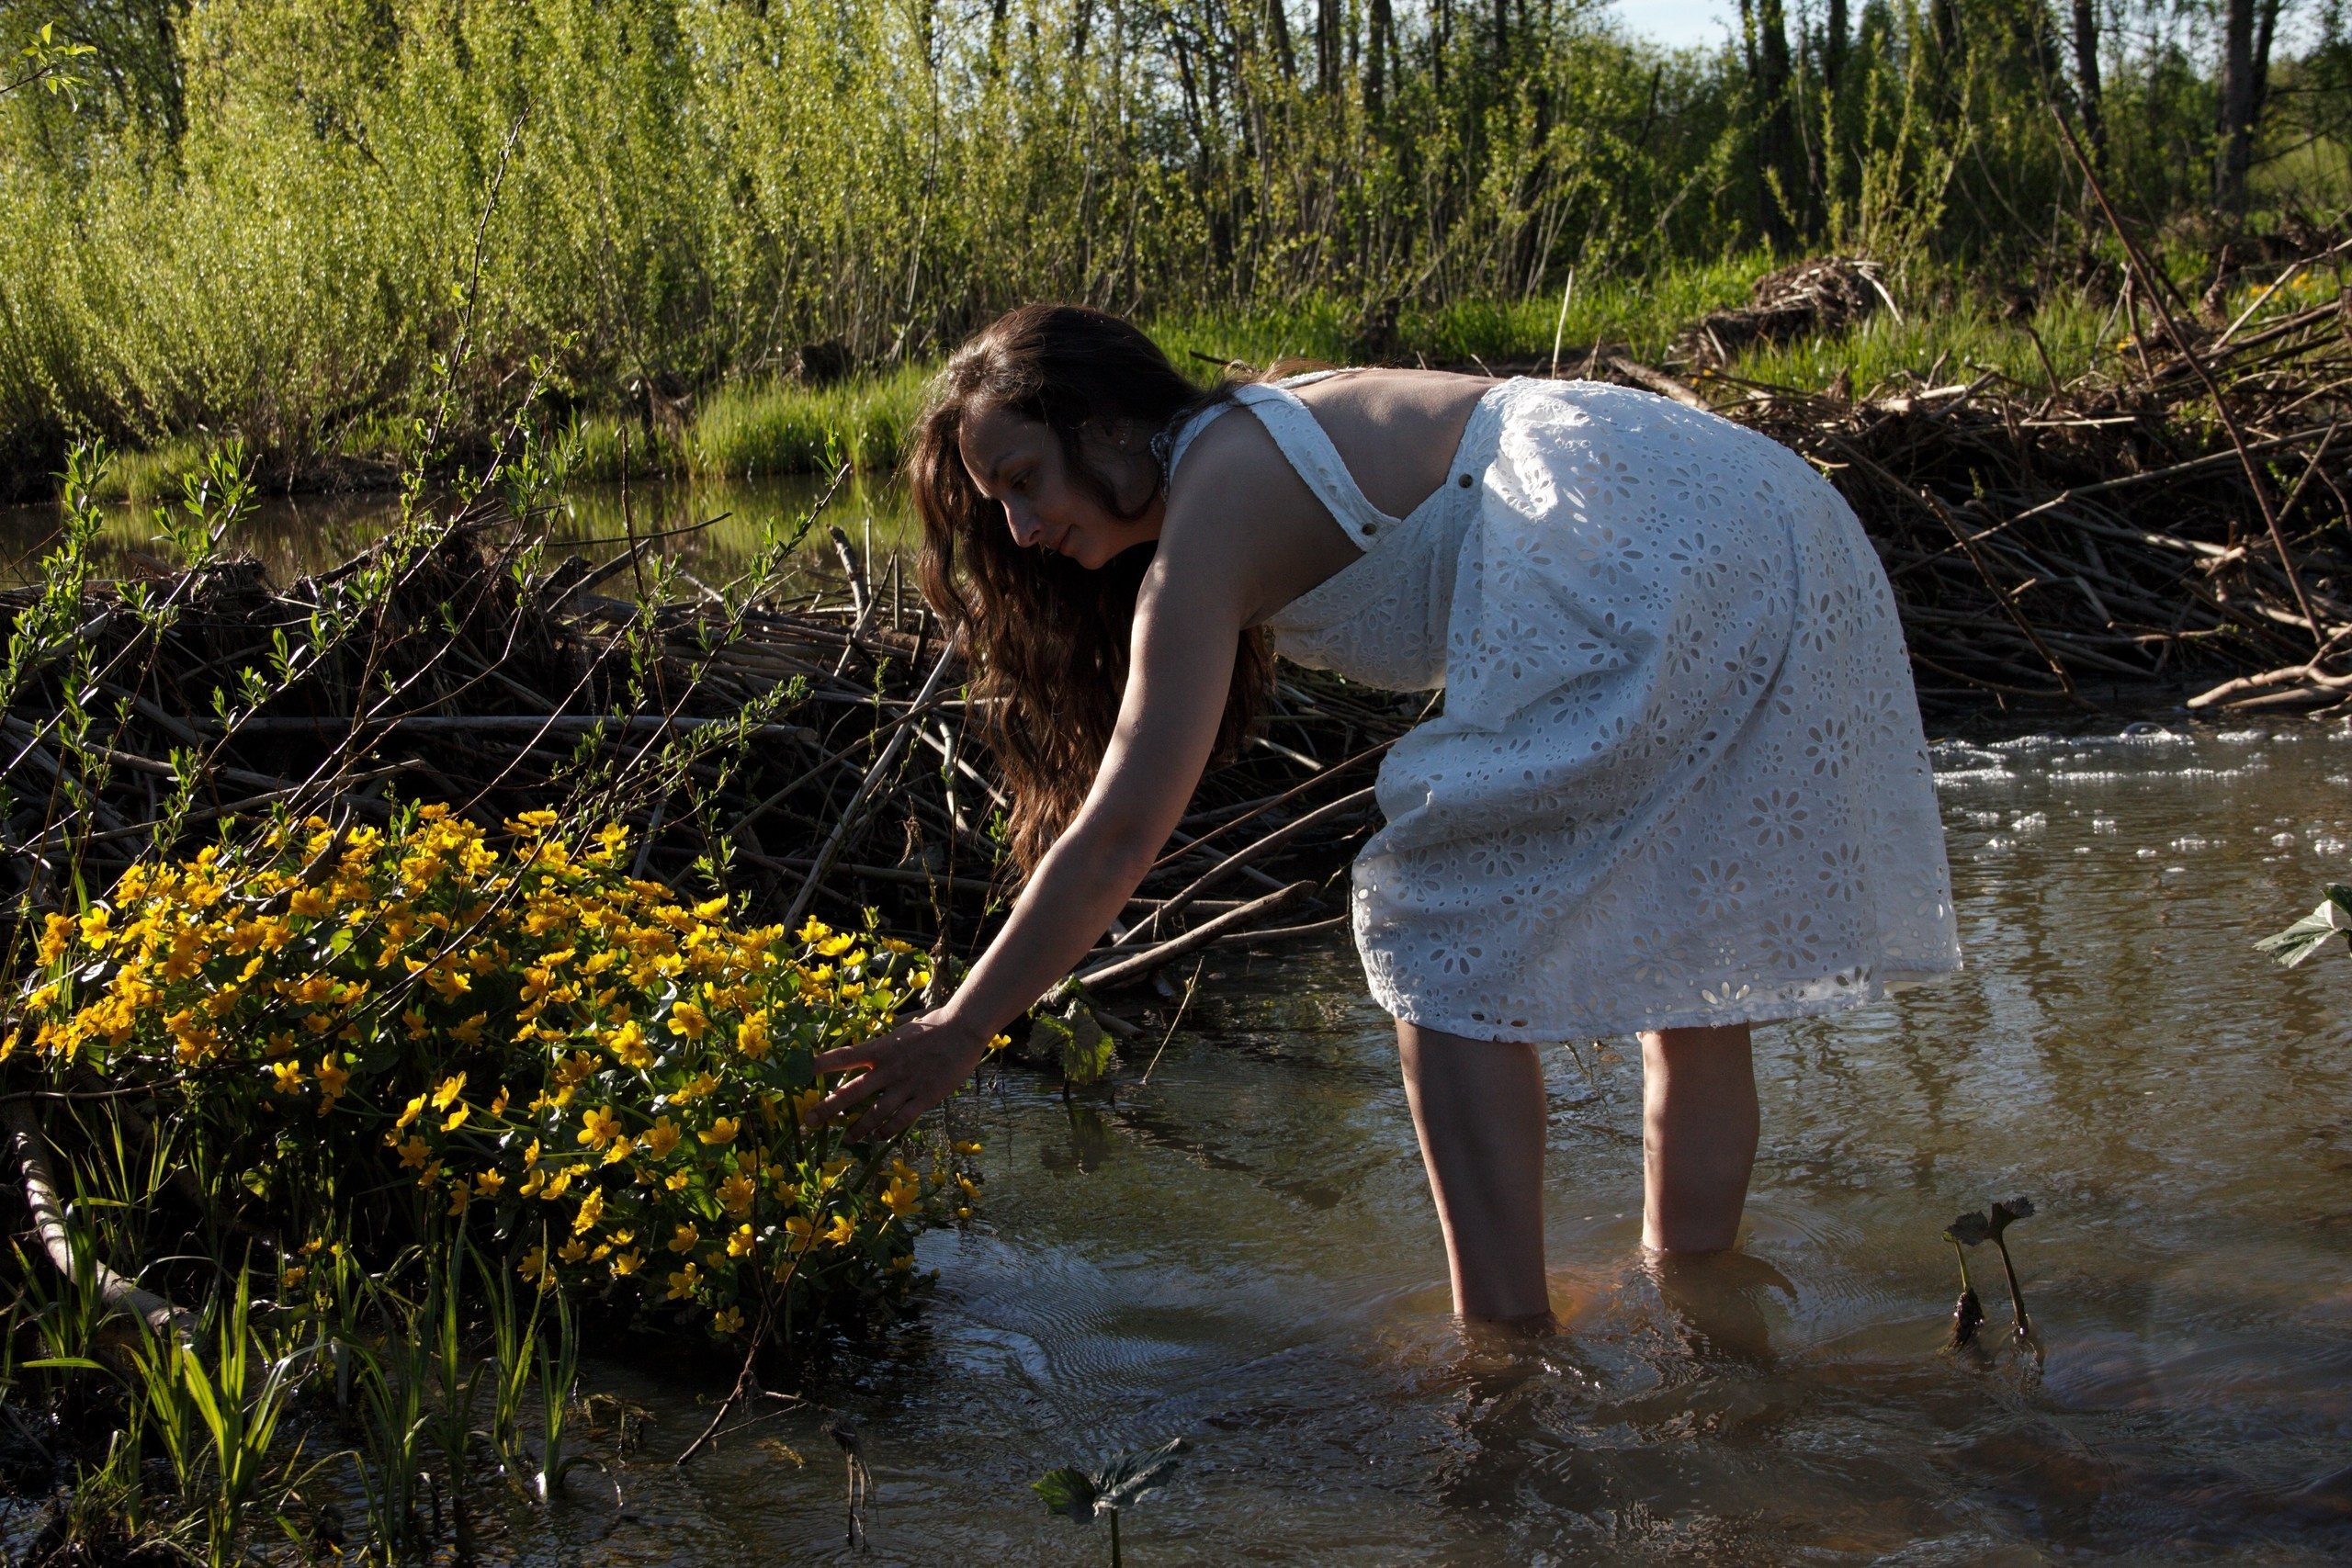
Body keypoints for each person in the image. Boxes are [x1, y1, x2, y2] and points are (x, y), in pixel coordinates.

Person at [808, 303, 1961, 1322]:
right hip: (1754, 497)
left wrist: (960, 1027)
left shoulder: (1210, 510)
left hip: (1619, 512)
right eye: (994, 500)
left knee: (1434, 929)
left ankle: (1503, 1351)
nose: (1016, 528)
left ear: (1104, 426)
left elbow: (1118, 833)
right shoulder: (1250, 443)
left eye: (1021, 480)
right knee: (1685, 934)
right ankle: (1699, 1295)